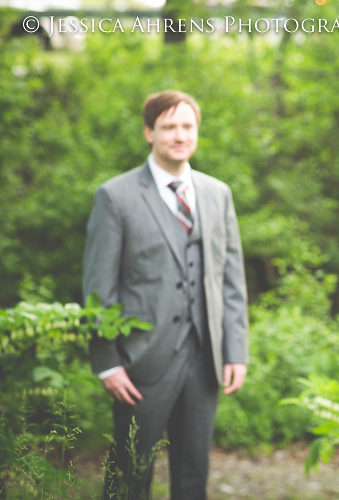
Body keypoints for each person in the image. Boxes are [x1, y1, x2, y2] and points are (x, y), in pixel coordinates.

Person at [83, 90, 249, 499]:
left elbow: (230, 281)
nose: (179, 135)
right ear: (149, 133)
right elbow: (98, 288)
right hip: (140, 363)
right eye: (169, 126)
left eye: (187, 126)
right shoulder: (115, 196)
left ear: (197, 131)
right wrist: (107, 362)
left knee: (194, 475)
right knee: (128, 476)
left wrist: (236, 351)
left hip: (205, 359)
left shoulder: (217, 193)